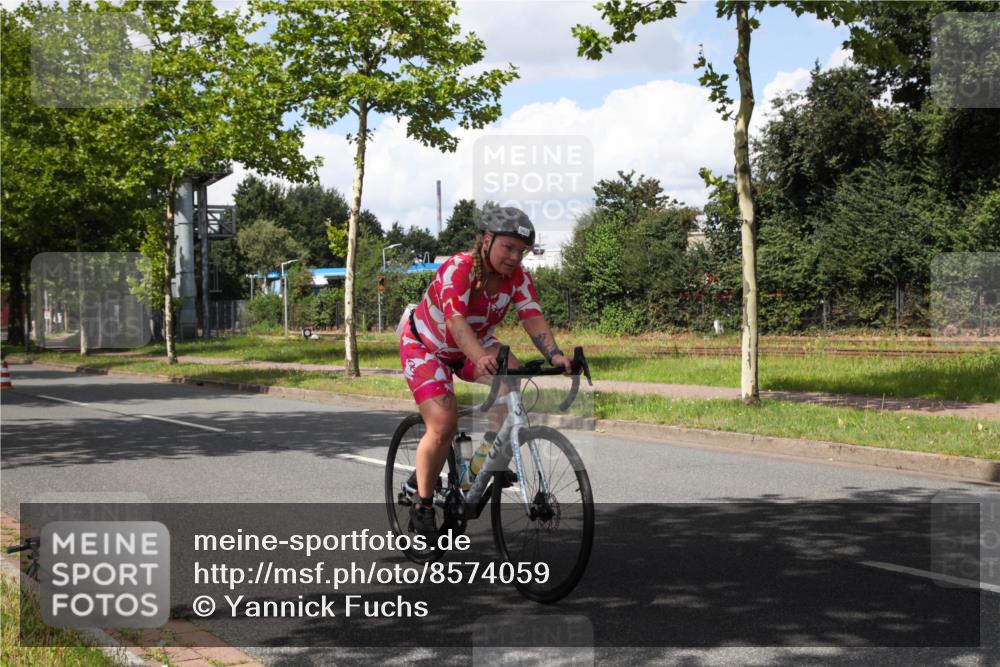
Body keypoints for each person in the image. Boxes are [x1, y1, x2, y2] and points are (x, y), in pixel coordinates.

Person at [398, 206, 571, 536]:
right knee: (444, 423)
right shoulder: (459, 269)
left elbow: (532, 316)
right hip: (427, 347)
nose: (515, 257)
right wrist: (478, 357)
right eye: (509, 247)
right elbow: (455, 322)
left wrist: (556, 355)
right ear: (487, 241)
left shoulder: (518, 277)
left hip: (473, 345)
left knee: (513, 378)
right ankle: (422, 504)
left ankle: (486, 460)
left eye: (522, 251)